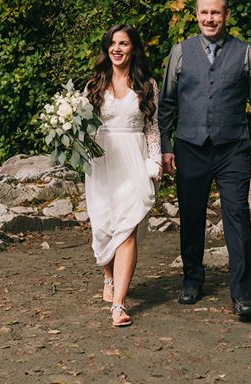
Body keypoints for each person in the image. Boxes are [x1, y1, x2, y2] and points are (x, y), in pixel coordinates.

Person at [158, 0, 251, 321]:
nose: (209, 18)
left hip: (233, 148)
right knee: (192, 216)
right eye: (204, 13)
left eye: (216, 13)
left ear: (226, 15)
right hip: (190, 146)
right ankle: (192, 281)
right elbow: (166, 103)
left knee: (237, 217)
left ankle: (242, 295)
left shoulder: (245, 53)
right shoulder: (180, 52)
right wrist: (165, 146)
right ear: (196, 15)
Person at [85, 24, 162, 327]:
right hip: (102, 162)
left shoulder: (147, 84)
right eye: (113, 44)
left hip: (134, 158)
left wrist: (155, 161)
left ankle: (119, 304)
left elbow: (153, 127)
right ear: (107, 49)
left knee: (128, 227)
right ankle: (109, 277)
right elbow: (82, 127)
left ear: (133, 49)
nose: (117, 49)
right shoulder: (94, 84)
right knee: (103, 227)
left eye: (124, 44)